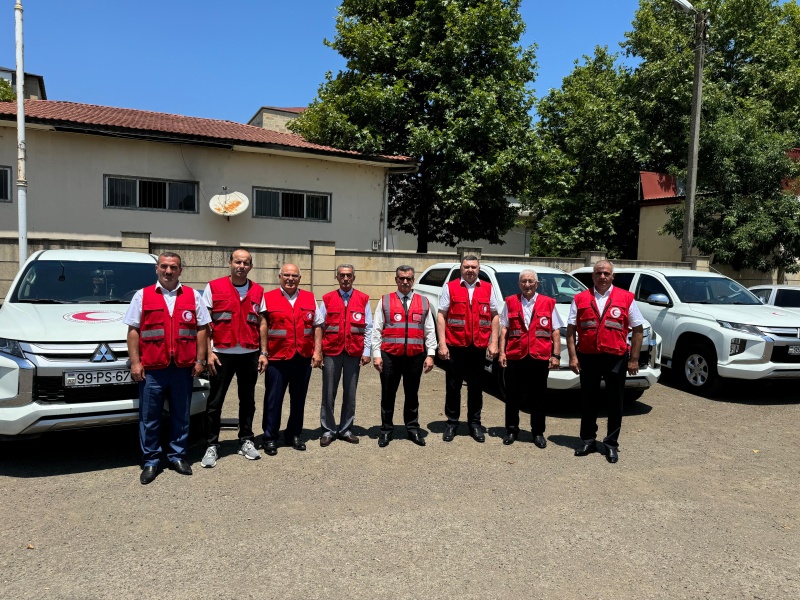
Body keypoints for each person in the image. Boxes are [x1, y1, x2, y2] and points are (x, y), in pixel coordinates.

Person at [124, 252, 211, 485]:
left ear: (180, 270)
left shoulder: (192, 296)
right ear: (157, 269)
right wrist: (135, 362)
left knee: (181, 416)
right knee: (149, 418)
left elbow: (202, 329)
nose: (168, 271)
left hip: (183, 367)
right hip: (152, 369)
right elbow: (133, 331)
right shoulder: (142, 296)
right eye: (164, 266)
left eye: (173, 267)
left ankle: (177, 456)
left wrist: (200, 360)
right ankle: (151, 461)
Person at [566, 260, 644, 464]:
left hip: (616, 357)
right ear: (592, 276)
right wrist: (573, 357)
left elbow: (638, 329)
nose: (602, 277)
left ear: (612, 276)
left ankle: (611, 444)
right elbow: (571, 329)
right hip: (588, 357)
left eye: (606, 273)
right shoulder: (580, 298)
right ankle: (588, 440)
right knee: (588, 400)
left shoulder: (626, 298)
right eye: (599, 273)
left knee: (615, 402)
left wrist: (634, 359)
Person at [199, 248, 267, 468]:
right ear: (230, 263)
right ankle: (211, 444)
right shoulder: (213, 287)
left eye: (246, 263)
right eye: (238, 262)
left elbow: (262, 323)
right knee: (215, 402)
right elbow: (205, 322)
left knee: (247, 400)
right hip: (221, 354)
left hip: (249, 353)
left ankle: (246, 439)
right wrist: (208, 352)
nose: (241, 266)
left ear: (251, 266)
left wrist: (263, 352)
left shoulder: (258, 290)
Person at [371, 265, 436, 447]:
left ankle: (413, 428)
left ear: (413, 280)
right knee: (387, 394)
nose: (405, 281)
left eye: (408, 278)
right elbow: (377, 330)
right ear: (396, 280)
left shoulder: (424, 302)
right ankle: (386, 430)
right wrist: (376, 355)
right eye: (401, 278)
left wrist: (430, 354)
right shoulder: (385, 301)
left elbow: (429, 330)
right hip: (390, 355)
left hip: (415, 356)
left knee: (412, 394)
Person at [436, 255, 499, 443]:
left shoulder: (488, 288)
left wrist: (494, 343)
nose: (470, 270)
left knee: (476, 388)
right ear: (461, 269)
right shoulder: (450, 287)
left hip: (478, 347)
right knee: (453, 386)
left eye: (473, 267)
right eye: (466, 267)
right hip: (455, 346)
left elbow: (495, 316)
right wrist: (442, 344)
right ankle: (452, 423)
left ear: (479, 269)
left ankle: (474, 424)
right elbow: (441, 315)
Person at [498, 269, 563, 447]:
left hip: (539, 356)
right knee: (512, 396)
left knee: (538, 397)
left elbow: (555, 331)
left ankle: (538, 432)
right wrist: (502, 352)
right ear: (519, 284)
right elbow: (504, 329)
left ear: (537, 284)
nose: (527, 285)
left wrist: (556, 355)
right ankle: (512, 430)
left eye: (530, 281)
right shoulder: (510, 301)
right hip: (516, 355)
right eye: (524, 281)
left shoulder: (548, 303)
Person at [261, 263, 319, 456]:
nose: (290, 279)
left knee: (298, 399)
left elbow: (317, 325)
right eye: (286, 275)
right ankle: (270, 437)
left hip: (302, 357)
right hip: (278, 358)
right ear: (279, 277)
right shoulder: (268, 298)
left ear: (300, 279)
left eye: (294, 276)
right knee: (273, 399)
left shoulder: (309, 297)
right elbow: (262, 326)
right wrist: (263, 353)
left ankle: (293, 434)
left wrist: (317, 351)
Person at [312, 264, 372, 447]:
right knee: (328, 392)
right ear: (337, 277)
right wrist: (319, 352)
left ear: (354, 277)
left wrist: (367, 351)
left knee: (350, 393)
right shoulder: (328, 299)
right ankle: (328, 430)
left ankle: (346, 429)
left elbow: (368, 327)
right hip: (332, 352)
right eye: (342, 275)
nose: (346, 279)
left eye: (349, 275)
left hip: (354, 352)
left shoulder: (363, 299)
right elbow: (320, 326)